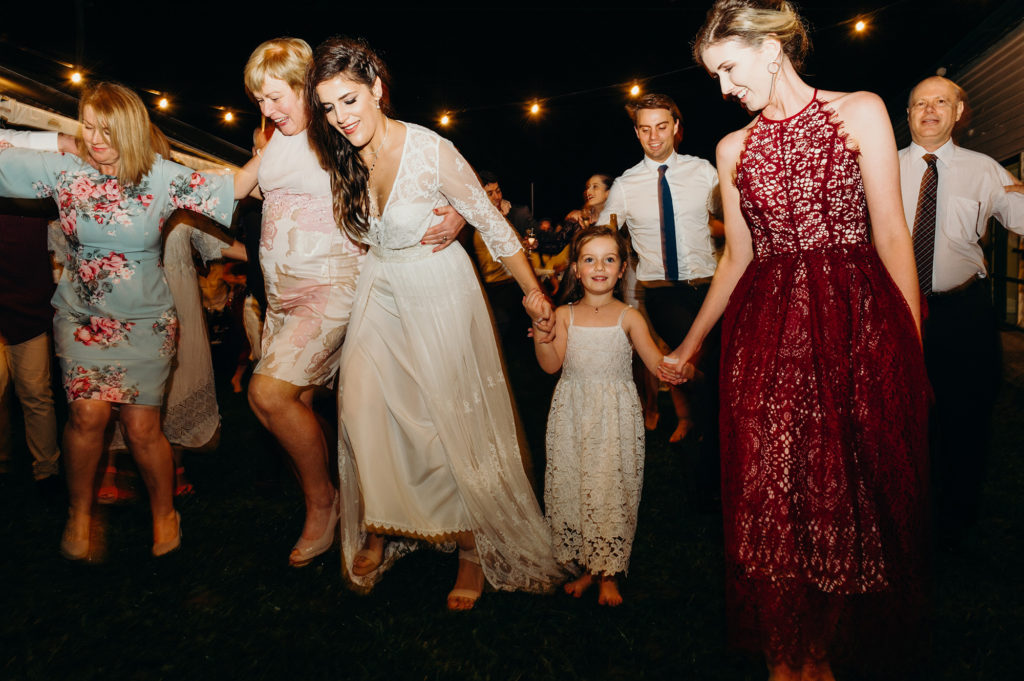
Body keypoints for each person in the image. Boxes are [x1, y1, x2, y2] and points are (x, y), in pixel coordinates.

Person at [661, 2, 932, 677]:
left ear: (771, 47)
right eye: (715, 76)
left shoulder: (861, 111)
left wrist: (908, 347)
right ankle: (788, 652)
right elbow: (737, 258)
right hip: (766, 338)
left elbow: (891, 233)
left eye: (729, 68)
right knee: (774, 492)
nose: (725, 88)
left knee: (846, 491)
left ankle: (828, 652)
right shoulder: (733, 149)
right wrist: (690, 345)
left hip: (854, 327)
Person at [306, 35, 565, 610]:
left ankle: (472, 543)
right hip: (380, 287)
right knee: (362, 408)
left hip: (436, 289)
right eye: (328, 107)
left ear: (376, 88)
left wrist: (532, 292)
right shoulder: (342, 154)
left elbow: (490, 221)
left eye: (349, 100)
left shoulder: (430, 150)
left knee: (444, 417)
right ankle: (383, 519)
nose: (341, 117)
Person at [237, 38, 465, 568]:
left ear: (304, 87)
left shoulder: (335, 130)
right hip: (282, 294)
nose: (267, 109)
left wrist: (456, 207)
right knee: (283, 405)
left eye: (274, 96)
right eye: (259, 100)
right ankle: (348, 497)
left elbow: (403, 166)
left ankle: (325, 505)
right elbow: (243, 188)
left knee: (269, 393)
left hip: (333, 286)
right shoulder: (271, 137)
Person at [0, 82, 239, 560]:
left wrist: (284, 155)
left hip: (145, 321)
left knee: (141, 426)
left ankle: (164, 513)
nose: (94, 138)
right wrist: (55, 140)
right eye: (88, 127)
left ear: (129, 130)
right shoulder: (64, 170)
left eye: (106, 129)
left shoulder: (159, 175)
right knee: (86, 415)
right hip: (82, 317)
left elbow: (230, 188)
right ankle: (79, 512)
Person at [901, 75, 1024, 546]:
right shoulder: (881, 167)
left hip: (963, 312)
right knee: (901, 415)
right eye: (920, 103)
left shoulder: (984, 169)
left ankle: (957, 520)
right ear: (908, 115)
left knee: (967, 414)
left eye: (941, 102)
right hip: (899, 310)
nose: (930, 110)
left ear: (958, 112)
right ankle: (905, 514)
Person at [529, 226, 666, 607]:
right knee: (577, 486)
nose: (599, 267)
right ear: (575, 268)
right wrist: (541, 331)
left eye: (609, 259)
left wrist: (682, 363)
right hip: (572, 414)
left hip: (614, 419)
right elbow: (550, 365)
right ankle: (588, 567)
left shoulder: (629, 317)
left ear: (622, 270)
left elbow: (655, 363)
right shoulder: (564, 315)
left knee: (609, 489)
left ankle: (609, 573)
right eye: (590, 260)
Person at [597, 94, 723, 453]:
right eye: (645, 129)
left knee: (719, 369)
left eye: (661, 127)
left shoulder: (704, 172)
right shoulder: (625, 185)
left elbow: (728, 218)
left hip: (713, 289)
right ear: (636, 133)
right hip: (664, 294)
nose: (654, 137)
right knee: (705, 370)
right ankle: (712, 442)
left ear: (676, 127)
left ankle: (712, 439)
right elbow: (605, 235)